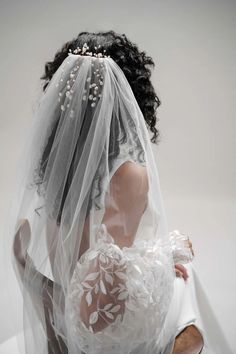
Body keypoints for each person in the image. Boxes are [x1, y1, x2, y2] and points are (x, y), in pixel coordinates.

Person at [3, 30, 233, 354]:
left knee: (85, 289)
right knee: (187, 282)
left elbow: (90, 261)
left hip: (72, 298)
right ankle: (179, 345)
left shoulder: (58, 164)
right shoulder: (130, 177)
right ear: (129, 98)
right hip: (102, 324)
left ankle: (52, 305)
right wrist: (167, 254)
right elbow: (115, 275)